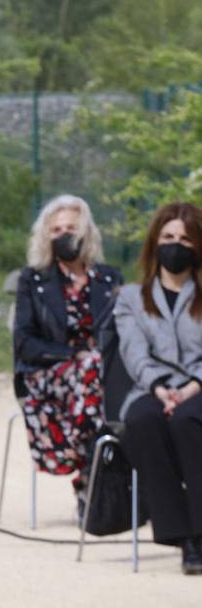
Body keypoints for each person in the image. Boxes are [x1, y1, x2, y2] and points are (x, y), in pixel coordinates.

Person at [12, 195, 121, 507]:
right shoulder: (33, 280)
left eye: (71, 228)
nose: (64, 236)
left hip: (99, 377)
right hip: (46, 374)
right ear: (46, 235)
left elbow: (120, 333)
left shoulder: (108, 278)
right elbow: (24, 343)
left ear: (86, 232)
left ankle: (92, 476)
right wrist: (74, 356)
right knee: (92, 371)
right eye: (57, 230)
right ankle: (93, 471)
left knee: (99, 375)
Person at [114, 201, 202, 575]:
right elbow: (134, 353)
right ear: (155, 242)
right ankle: (179, 533)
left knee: (187, 422)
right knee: (144, 421)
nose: (175, 245)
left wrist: (193, 387)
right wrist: (161, 388)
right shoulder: (131, 298)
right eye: (168, 237)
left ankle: (200, 533)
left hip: (200, 389)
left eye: (185, 238)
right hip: (150, 389)